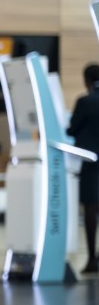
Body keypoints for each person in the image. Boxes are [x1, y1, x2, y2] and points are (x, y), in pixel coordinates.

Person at [67, 63, 99, 274]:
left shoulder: (85, 101)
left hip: (90, 163)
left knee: (90, 208)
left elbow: (72, 128)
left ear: (85, 80)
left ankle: (91, 259)